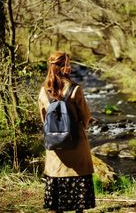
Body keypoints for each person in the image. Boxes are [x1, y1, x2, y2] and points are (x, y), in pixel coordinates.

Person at [38, 51, 95, 213]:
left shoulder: (43, 91)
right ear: (62, 67)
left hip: (55, 147)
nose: (70, 67)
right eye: (67, 64)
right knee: (79, 195)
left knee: (55, 198)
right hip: (76, 144)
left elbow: (44, 120)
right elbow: (86, 117)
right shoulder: (76, 89)